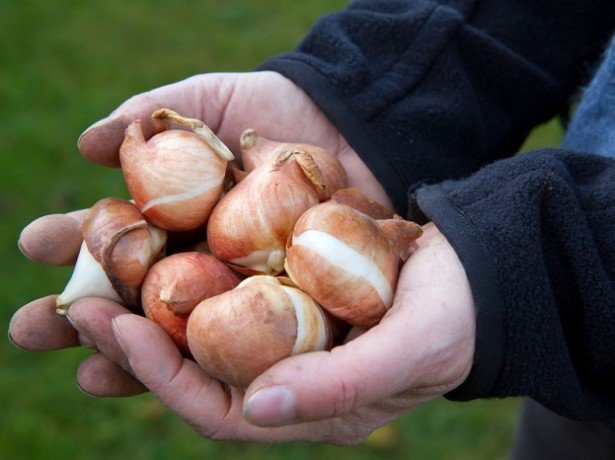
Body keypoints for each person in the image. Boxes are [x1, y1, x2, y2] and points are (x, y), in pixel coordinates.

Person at [8, 0, 615, 456]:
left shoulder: (286, 228)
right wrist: (369, 98)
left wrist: (533, 261)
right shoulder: (269, 222)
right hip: (581, 380)